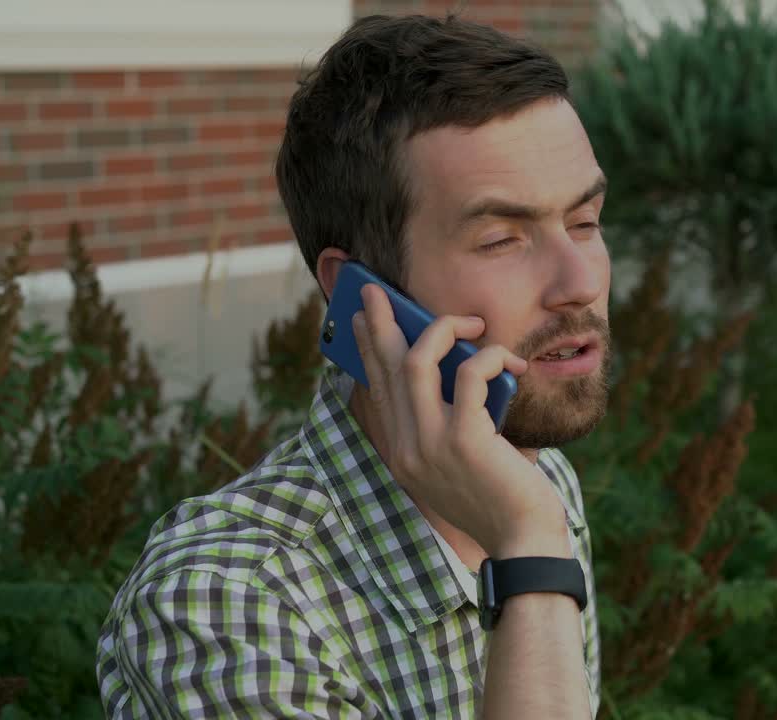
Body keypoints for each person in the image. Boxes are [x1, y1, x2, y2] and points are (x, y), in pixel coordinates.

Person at [96, 12, 613, 719]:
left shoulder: (538, 481)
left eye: (585, 222)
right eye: (501, 239)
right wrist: (530, 555)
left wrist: (533, 535)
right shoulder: (228, 599)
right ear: (364, 297)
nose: (580, 280)